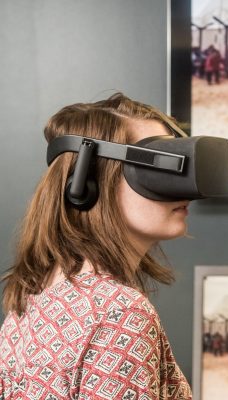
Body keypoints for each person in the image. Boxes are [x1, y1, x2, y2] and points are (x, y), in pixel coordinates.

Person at [0, 93, 193, 398]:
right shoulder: (119, 311)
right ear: (87, 182)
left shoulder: (31, 300)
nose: (182, 186)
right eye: (159, 165)